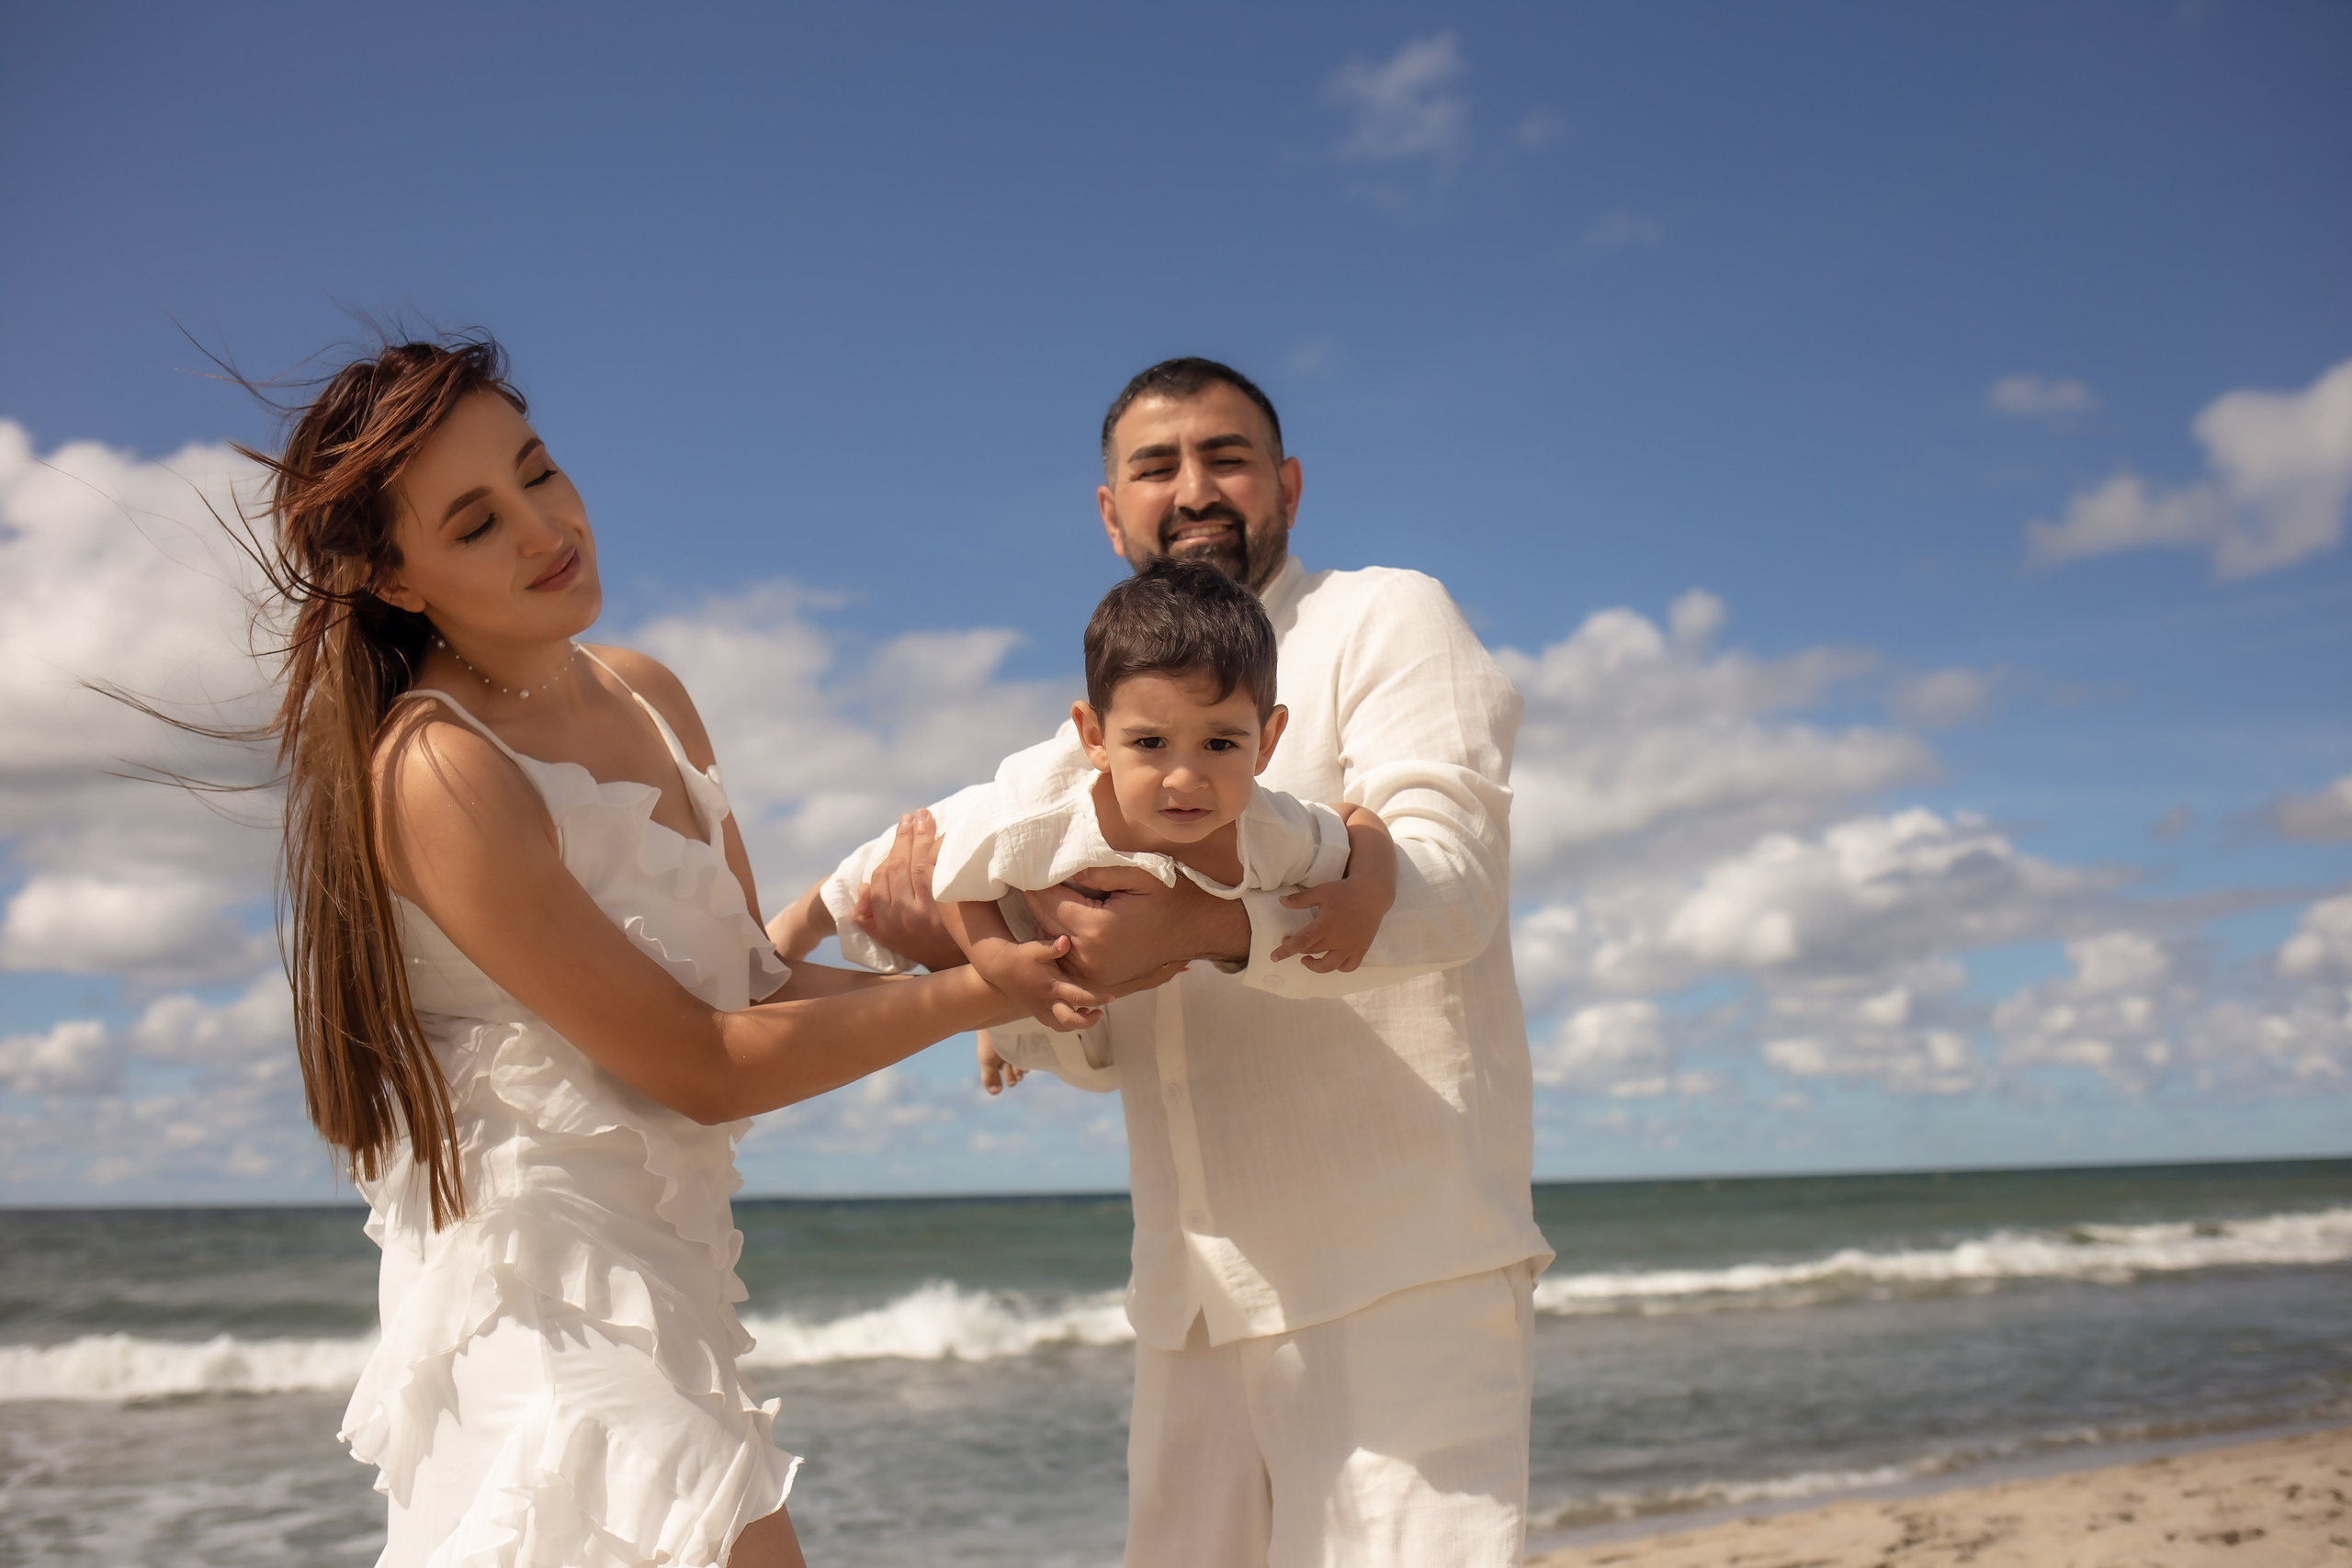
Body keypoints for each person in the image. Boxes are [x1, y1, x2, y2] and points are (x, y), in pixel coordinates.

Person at [241, 336, 1125, 1568]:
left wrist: (983, 971)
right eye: (477, 522)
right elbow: (699, 1061)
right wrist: (962, 991)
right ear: (396, 579)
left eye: (539, 472)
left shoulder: (647, 689)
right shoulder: (437, 768)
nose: (546, 527)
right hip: (540, 1291)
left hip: (672, 1268)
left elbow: (747, 982)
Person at [815, 358, 1552, 1567]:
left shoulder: (1386, 615)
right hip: (1192, 1295)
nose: (1195, 486)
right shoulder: (1106, 733)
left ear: (1288, 485)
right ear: (1111, 512)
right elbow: (1108, 1046)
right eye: (1157, 466)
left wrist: (1204, 925)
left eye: (1228, 455)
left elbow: (1451, 886)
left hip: (1404, 1258)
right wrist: (974, 966)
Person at [772, 558, 1397, 1031]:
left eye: (1219, 745)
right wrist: (993, 960)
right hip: (963, 839)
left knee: (862, 1006)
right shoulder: (1043, 816)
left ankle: (769, 994)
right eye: (1150, 743)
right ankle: (783, 934)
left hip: (1029, 914)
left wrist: (1367, 893)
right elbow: (954, 877)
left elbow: (1356, 819)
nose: (1185, 779)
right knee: (852, 886)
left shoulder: (1270, 834)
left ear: (1266, 741)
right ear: (1095, 738)